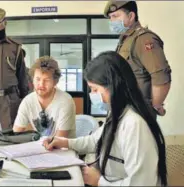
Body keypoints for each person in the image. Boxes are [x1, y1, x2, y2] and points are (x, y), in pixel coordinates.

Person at [43, 51, 167, 186]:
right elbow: (95, 140)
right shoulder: (117, 113)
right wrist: (65, 142)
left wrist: (99, 181)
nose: (92, 95)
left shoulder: (134, 124)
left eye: (94, 89)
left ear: (114, 86)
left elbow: (141, 183)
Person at [104, 1, 172, 118]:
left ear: (131, 16)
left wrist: (154, 107)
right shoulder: (126, 40)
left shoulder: (143, 39)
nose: (112, 21)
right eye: (110, 18)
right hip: (125, 109)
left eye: (115, 16)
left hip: (139, 112)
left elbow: (161, 76)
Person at [13, 56, 76, 138]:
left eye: (46, 80)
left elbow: (60, 140)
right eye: (38, 79)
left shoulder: (65, 101)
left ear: (55, 82)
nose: (41, 84)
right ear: (32, 80)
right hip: (39, 149)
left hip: (63, 149)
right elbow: (16, 134)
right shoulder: (27, 101)